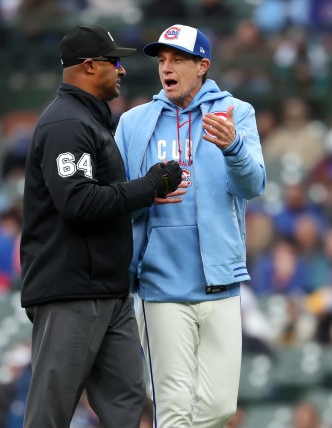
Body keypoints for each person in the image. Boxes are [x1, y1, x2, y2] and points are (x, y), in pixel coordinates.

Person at [20, 24, 184, 428]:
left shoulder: (90, 122)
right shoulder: (66, 124)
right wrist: (147, 187)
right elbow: (77, 203)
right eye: (115, 62)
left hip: (108, 291)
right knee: (50, 412)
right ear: (89, 66)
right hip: (70, 292)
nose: (122, 70)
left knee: (127, 405)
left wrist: (142, 191)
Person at [114, 24, 266, 427]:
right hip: (159, 282)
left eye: (177, 58)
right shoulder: (133, 122)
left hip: (220, 279)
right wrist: (144, 194)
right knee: (174, 410)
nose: (167, 66)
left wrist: (233, 147)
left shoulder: (236, 113)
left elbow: (254, 185)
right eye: (162, 59)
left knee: (219, 408)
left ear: (203, 66)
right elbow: (114, 198)